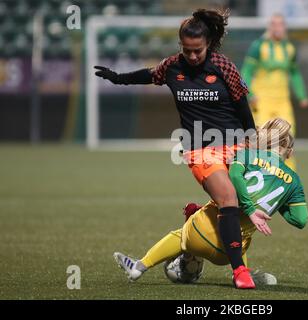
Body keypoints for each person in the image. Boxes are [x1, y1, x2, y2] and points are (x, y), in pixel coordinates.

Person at [94, 9, 257, 288]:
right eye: (187, 50)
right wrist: (118, 78)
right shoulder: (172, 66)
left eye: (198, 51)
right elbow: (149, 75)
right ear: (180, 46)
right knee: (229, 198)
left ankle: (196, 218)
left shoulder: (223, 66)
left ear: (209, 44)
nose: (192, 56)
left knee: (244, 211)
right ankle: (240, 272)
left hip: (235, 144)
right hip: (199, 150)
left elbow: (242, 106)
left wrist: (251, 140)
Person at [113, 118, 308, 288]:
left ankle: (140, 266)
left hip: (199, 234)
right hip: (228, 255)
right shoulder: (294, 181)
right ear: (289, 152)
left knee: (182, 235)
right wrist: (281, 202)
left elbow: (235, 177)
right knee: (243, 233)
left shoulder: (246, 154)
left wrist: (248, 205)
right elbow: (301, 220)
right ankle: (242, 272)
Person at [241, 13, 308, 171]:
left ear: (284, 27)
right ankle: (258, 176)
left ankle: (289, 177)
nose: (277, 27)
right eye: (274, 24)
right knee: (261, 141)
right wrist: (249, 94)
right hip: (262, 101)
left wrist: (302, 95)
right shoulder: (258, 46)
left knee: (287, 138)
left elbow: (295, 73)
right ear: (270, 27)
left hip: (282, 101)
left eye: (280, 24)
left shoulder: (290, 48)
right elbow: (247, 72)